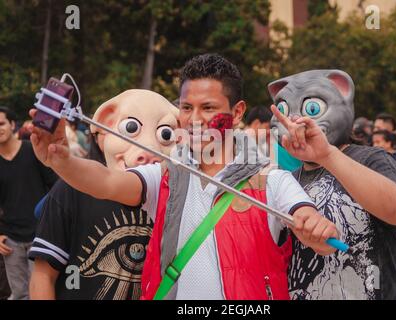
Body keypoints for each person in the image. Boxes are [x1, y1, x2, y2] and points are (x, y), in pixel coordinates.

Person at [29, 54, 340, 300]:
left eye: (208, 108)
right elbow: (106, 182)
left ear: (238, 111)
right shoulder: (166, 175)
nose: (193, 120)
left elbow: (314, 227)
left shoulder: (271, 179)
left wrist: (316, 227)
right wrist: (61, 159)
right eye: (186, 107)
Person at [268, 70, 396, 300]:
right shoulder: (287, 180)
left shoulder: (370, 159)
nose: (294, 120)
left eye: (311, 109)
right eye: (284, 111)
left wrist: (327, 155)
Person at [28, 90, 179, 300]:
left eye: (165, 135)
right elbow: (43, 276)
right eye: (131, 128)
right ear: (101, 133)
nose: (148, 150)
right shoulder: (72, 189)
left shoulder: (178, 198)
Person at [0, 106, 57, 300]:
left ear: (12, 125)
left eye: (1, 123)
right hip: (10, 239)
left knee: (41, 292)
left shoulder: (32, 150)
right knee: (19, 294)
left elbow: (55, 185)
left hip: (40, 235)